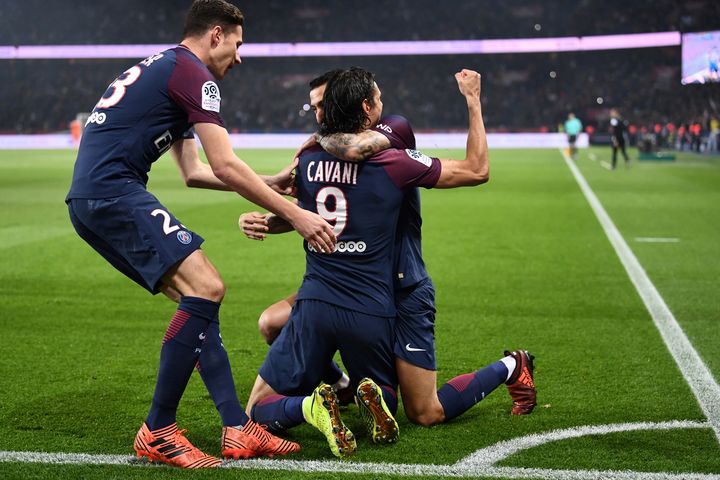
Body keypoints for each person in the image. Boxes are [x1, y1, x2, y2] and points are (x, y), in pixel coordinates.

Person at [65, 0, 337, 469]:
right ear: (216, 34)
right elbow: (226, 165)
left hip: (97, 196)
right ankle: (158, 430)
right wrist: (295, 214)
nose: (239, 55)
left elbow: (194, 171)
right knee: (207, 286)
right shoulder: (195, 75)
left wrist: (269, 181)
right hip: (112, 194)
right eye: (237, 42)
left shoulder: (169, 67)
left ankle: (237, 427)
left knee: (199, 299)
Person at [241, 68, 536, 458]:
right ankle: (346, 387)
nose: (316, 114)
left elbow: (472, 169)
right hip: (363, 289)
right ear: (364, 106)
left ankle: (511, 367)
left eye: (320, 106)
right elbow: (320, 216)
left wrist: (473, 101)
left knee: (425, 411)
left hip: (405, 287)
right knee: (271, 322)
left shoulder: (387, 135)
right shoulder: (339, 152)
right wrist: (278, 219)